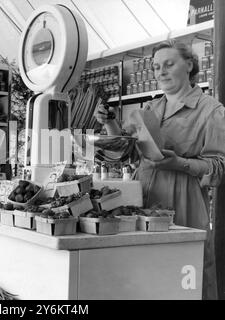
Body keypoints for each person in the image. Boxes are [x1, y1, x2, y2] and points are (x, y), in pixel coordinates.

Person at [94, 39, 225, 300]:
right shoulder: (150, 109)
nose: (160, 72)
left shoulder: (211, 111)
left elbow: (219, 168)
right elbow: (126, 153)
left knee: (183, 278)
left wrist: (180, 163)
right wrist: (110, 124)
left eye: (168, 64)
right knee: (144, 277)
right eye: (155, 67)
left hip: (183, 203)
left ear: (189, 65)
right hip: (142, 200)